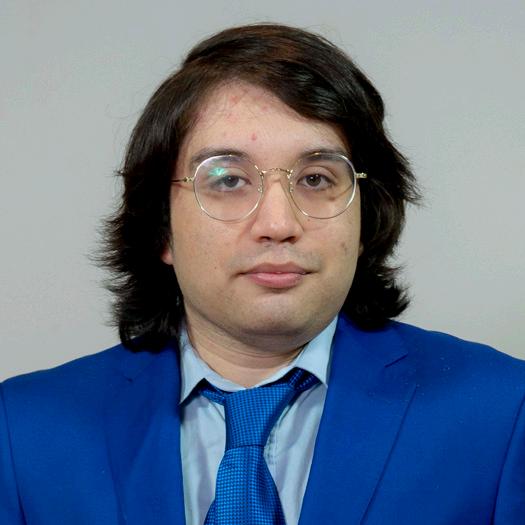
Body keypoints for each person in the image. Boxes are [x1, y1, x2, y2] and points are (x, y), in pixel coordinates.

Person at [1, 23, 524, 525]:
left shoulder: (503, 413)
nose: (279, 224)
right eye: (228, 180)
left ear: (366, 217)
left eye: (316, 178)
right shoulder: (23, 433)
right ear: (161, 227)